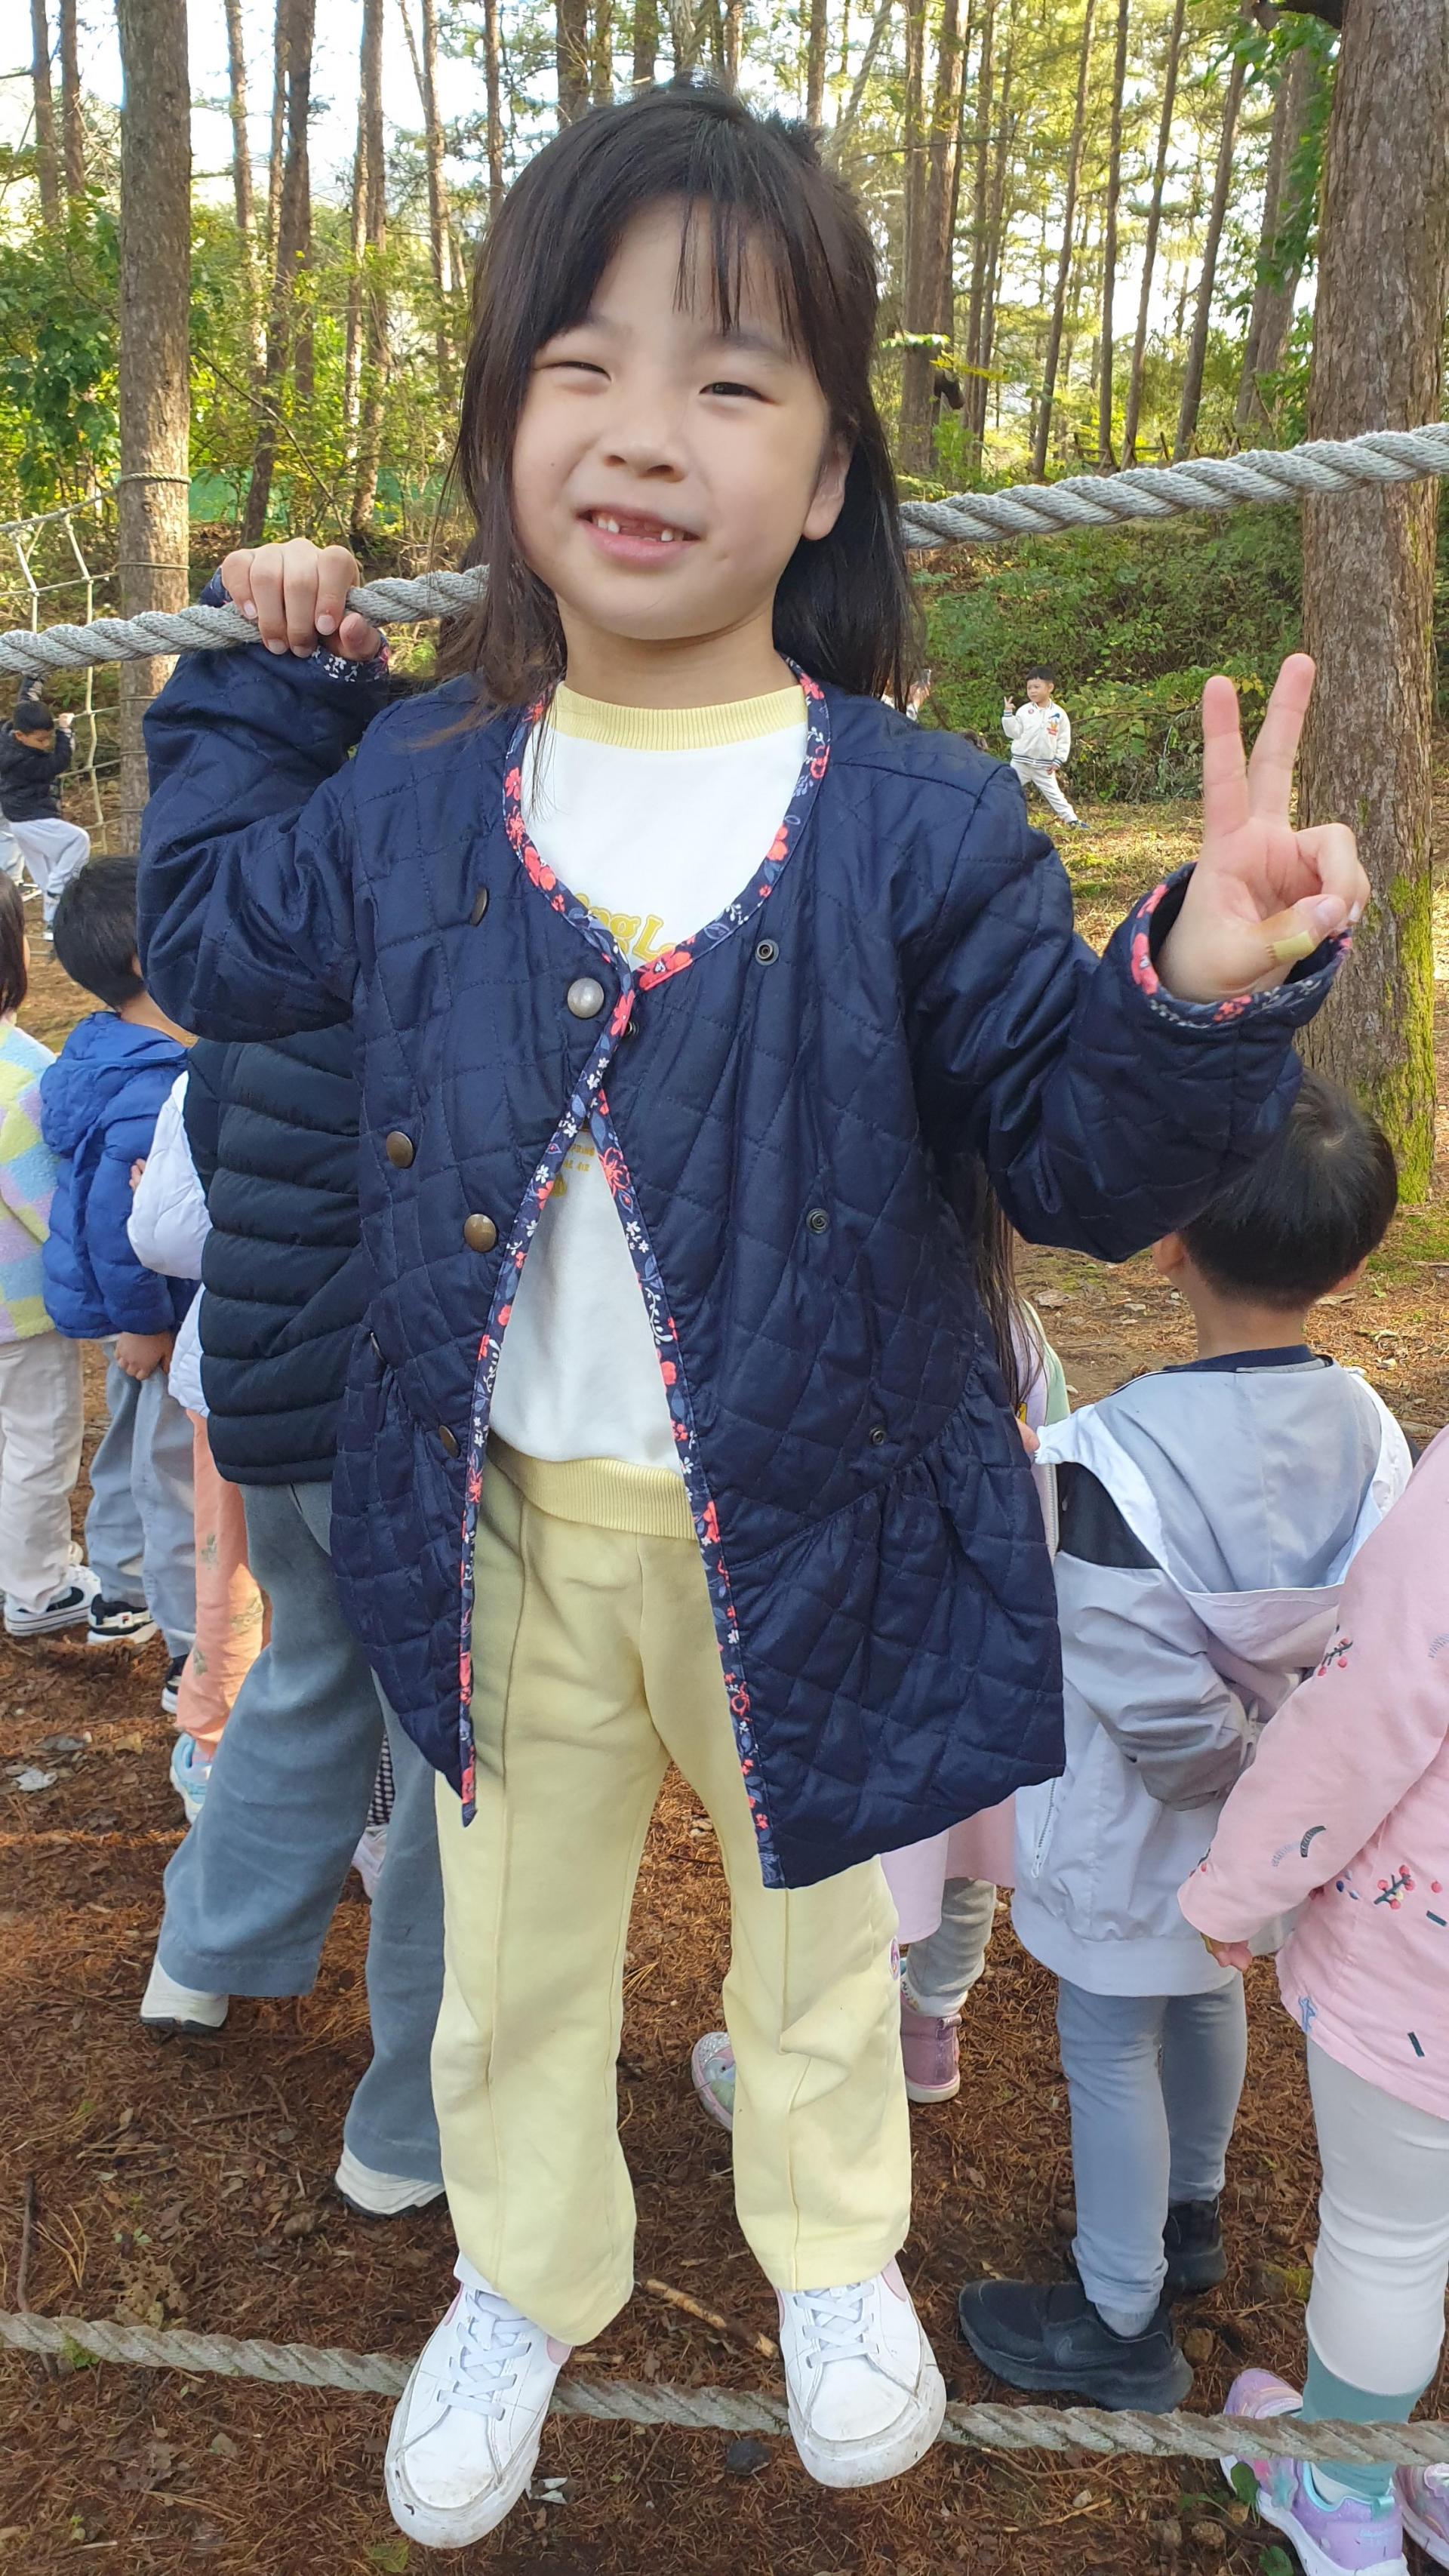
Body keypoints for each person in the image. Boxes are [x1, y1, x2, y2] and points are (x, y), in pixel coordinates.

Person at [135, 86, 1364, 2551]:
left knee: (824, 1921)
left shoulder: (919, 815)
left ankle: (830, 2252)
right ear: (505, 431)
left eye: (730, 379)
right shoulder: (418, 786)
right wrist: (267, 677)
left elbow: (1072, 1152)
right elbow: (201, 935)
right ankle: (521, 2273)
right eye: (581, 366)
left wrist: (1196, 985)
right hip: (500, 1510)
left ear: (824, 479)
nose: (644, 431)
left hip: (820, 1507)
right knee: (512, 1939)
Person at [959, 1074, 1410, 2414]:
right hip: (1281, 1816)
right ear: (1356, 1259)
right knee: (1213, 1989)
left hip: (1137, 1820)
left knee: (1110, 2035)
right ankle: (1191, 2212)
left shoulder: (1115, 1453)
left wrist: (1228, 1781)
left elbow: (1139, 1680)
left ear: (1168, 1238)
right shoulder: (1376, 1434)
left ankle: (1118, 2313)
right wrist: (1274, 1797)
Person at [136, 1026, 445, 2227]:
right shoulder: (440, 997)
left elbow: (182, 1209)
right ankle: (414, 2124)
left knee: (306, 1670)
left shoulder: (236, 1021)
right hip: (396, 1412)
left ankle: (198, 1960)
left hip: (262, 1393)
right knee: (447, 1754)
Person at [691, 1177, 1070, 2125]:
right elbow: (1052, 1494)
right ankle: (930, 2025)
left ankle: (830, 2050)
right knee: (964, 1862)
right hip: (983, 1658)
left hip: (870, 1661)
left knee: (867, 1870)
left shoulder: (833, 1325)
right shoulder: (1022, 1337)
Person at [1180, 1435, 1449, 2576]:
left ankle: (1341, 2492)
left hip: (1422, 1976)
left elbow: (1365, 1713)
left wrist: (1239, 1883)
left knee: (1391, 2239)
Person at [41, 859, 195, 1710]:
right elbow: (120, 1223)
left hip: (133, 1312)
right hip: (156, 1313)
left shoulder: (104, 1050)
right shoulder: (153, 1082)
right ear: (146, 957)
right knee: (172, 1475)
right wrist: (145, 1323)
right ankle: (188, 1649)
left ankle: (120, 1588)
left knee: (134, 1448)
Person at [126, 1068, 266, 1817]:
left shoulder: (209, 1075)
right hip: (368, 1375)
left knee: (232, 1570)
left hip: (238, 1362)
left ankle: (216, 1749)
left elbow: (164, 1236)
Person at [0, 873, 95, 1638]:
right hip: (21, 1312)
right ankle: (37, 1587)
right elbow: (50, 1209)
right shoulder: (25, 1074)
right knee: (37, 1441)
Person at [0, 694, 91, 931]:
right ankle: (58, 890)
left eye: (48, 738)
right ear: (20, 736)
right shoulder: (21, 760)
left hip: (19, 820)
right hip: (31, 817)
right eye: (41, 740)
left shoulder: (8, 739)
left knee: (46, 872)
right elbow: (58, 763)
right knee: (78, 840)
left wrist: (35, 678)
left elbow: (26, 699)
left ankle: (53, 923)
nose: (46, 744)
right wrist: (65, 731)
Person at [1001, 666, 1080, 828]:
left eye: (1037, 687)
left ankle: (1072, 821)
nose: (1032, 691)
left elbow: (1064, 739)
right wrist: (1008, 715)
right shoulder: (1024, 711)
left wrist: (1059, 760)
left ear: (1050, 687)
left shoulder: (1059, 714)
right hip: (1021, 763)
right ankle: (995, 817)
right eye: (1029, 688)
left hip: (1045, 766)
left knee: (1055, 795)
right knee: (1004, 788)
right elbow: (1013, 733)